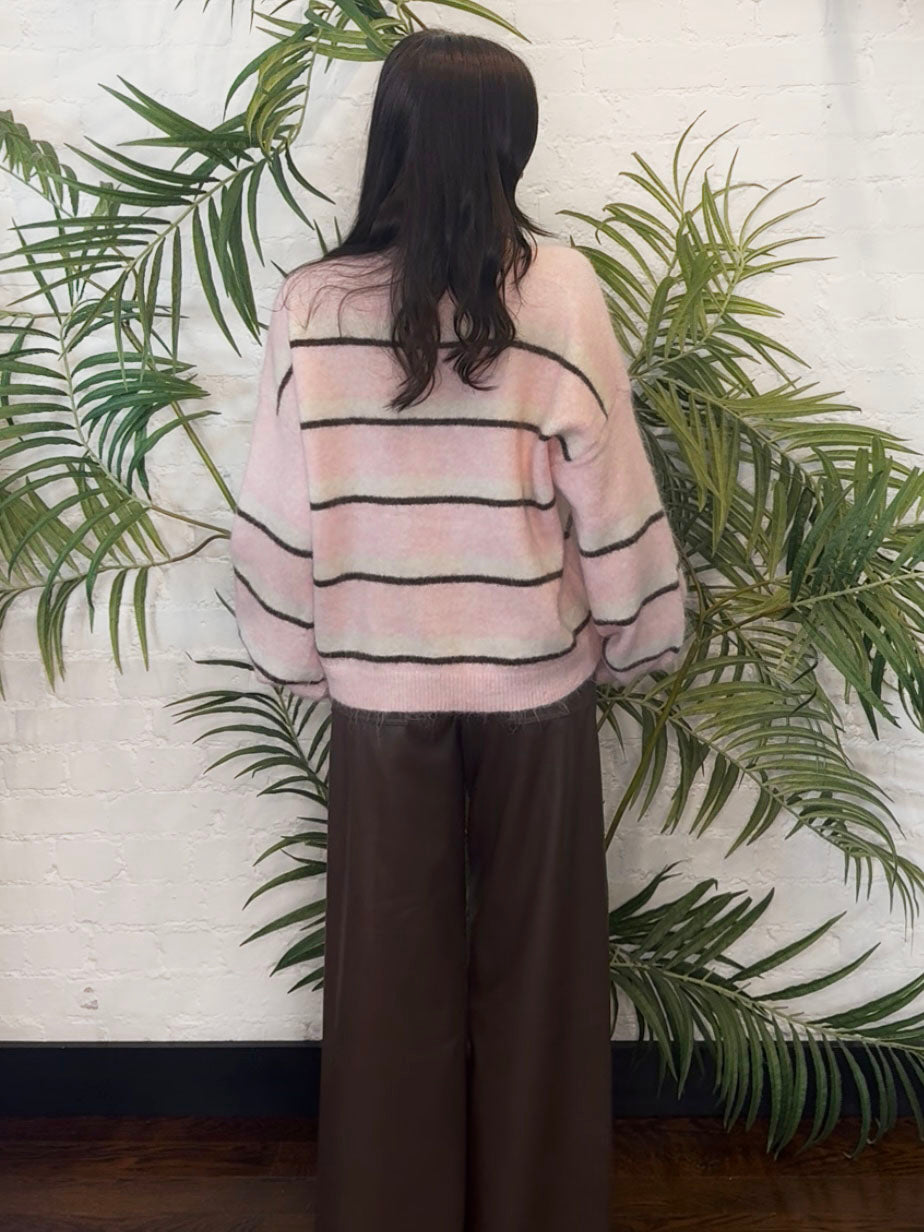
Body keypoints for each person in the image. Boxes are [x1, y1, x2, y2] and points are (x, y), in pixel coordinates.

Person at [228, 26, 688, 1232]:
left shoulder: (313, 305)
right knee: (544, 971)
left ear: (391, 140)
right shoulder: (563, 290)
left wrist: (294, 654)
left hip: (379, 691)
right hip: (535, 682)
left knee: (387, 977)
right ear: (505, 147)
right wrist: (644, 634)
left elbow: (277, 511)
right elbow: (611, 493)